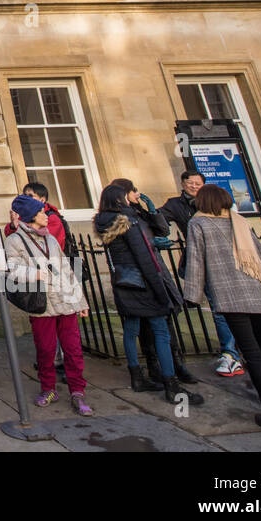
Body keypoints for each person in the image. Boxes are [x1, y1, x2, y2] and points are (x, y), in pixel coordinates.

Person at [182, 184, 261, 436]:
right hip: (256, 292)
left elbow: (196, 261)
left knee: (253, 355)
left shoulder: (198, 224)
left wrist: (192, 296)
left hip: (230, 296)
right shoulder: (239, 222)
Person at [94, 184, 204, 407]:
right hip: (142, 283)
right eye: (128, 193)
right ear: (119, 199)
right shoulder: (129, 221)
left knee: (131, 329)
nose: (132, 195)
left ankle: (136, 376)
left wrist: (151, 212)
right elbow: (144, 257)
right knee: (161, 331)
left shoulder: (103, 221)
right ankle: (171, 384)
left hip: (123, 282)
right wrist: (160, 289)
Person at [6, 195, 94, 416]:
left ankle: (77, 391)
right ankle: (48, 388)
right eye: (42, 212)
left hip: (65, 301)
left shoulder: (51, 240)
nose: (46, 216)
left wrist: (80, 301)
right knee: (45, 350)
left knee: (73, 349)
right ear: (30, 216)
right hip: (42, 304)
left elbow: (66, 271)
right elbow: (11, 269)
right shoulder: (14, 241)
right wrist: (33, 273)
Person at [113, 176, 200, 386]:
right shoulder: (121, 218)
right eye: (133, 190)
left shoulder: (139, 213)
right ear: (123, 194)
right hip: (140, 276)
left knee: (166, 320)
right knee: (147, 325)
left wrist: (152, 211)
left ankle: (176, 364)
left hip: (157, 271)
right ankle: (155, 367)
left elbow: (163, 230)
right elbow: (129, 248)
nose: (137, 194)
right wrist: (151, 244)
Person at [161, 170, 246, 378]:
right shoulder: (180, 208)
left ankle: (236, 351)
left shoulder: (227, 214)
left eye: (198, 182)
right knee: (220, 308)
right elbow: (159, 219)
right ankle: (230, 352)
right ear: (182, 184)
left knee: (236, 308)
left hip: (232, 263)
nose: (193, 186)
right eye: (189, 182)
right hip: (205, 264)